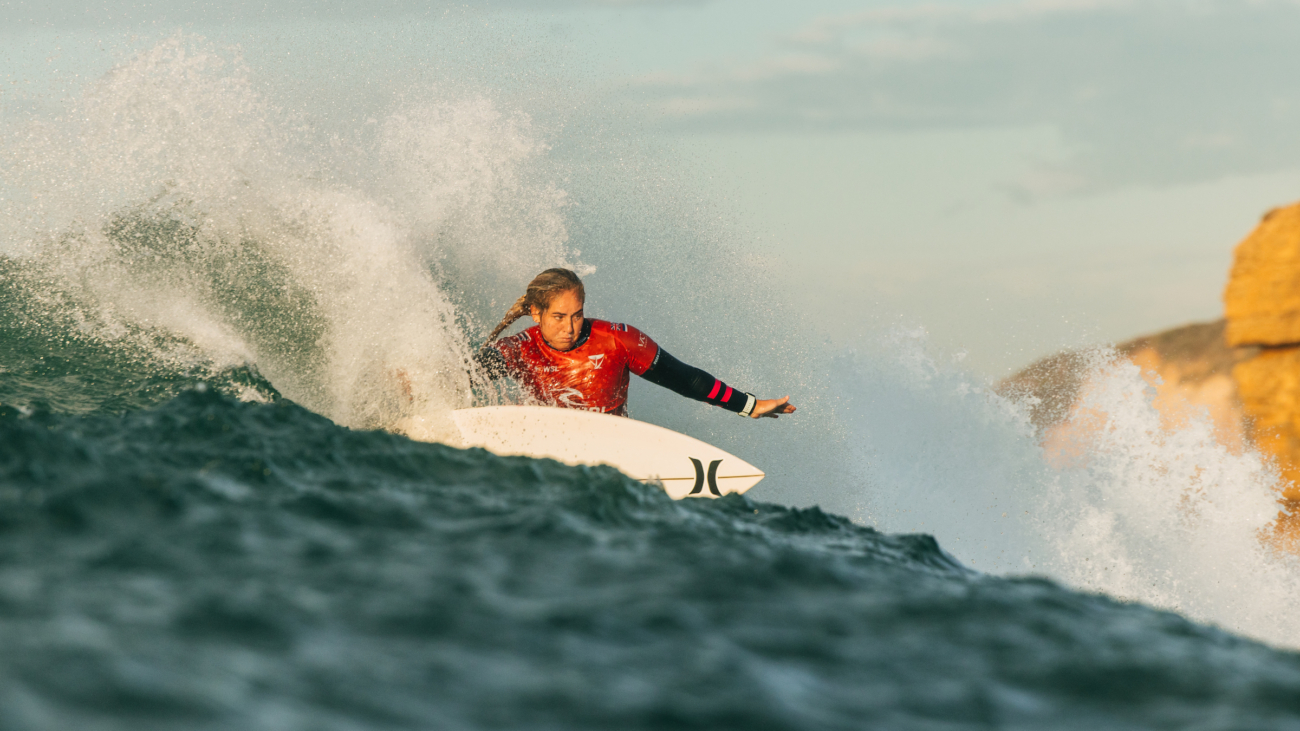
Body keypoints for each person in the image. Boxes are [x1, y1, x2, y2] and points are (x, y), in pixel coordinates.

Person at [476, 268, 796, 419]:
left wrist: (749, 406)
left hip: (611, 445)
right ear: (536, 313)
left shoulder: (616, 340)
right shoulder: (521, 348)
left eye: (577, 315)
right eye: (559, 317)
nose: (570, 328)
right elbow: (473, 370)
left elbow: (685, 379)